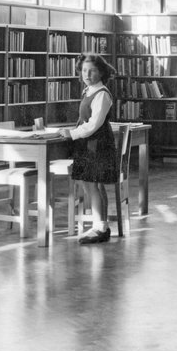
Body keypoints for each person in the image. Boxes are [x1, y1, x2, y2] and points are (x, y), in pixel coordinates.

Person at [61, 54, 118, 244]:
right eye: (84, 70)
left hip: (96, 144)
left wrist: (72, 134)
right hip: (88, 144)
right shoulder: (89, 90)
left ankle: (99, 228)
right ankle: (102, 226)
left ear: (101, 72)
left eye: (92, 70)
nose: (87, 74)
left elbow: (93, 124)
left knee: (91, 184)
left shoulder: (101, 93)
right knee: (93, 184)